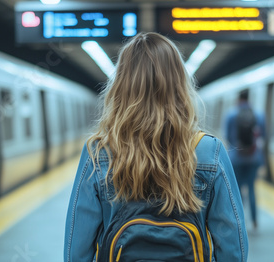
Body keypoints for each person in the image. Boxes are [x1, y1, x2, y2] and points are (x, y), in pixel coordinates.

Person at [64, 32, 248, 262]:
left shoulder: (98, 152)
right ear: (179, 84)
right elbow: (233, 246)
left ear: (121, 86)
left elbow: (77, 249)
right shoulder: (209, 150)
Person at [224, 90, 266, 230]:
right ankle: (254, 221)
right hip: (254, 158)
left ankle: (240, 221)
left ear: (238, 98)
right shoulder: (259, 115)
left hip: (236, 159)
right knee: (252, 189)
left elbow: (228, 137)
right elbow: (263, 136)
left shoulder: (231, 114)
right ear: (249, 98)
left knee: (238, 190)